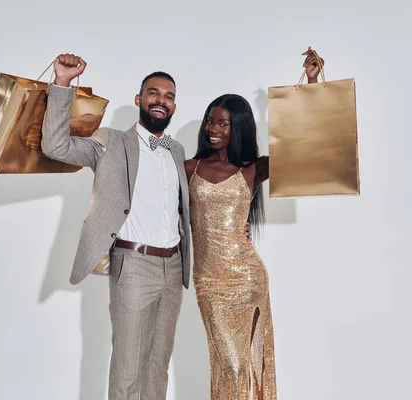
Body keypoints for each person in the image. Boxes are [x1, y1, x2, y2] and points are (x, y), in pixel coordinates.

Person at [41, 54, 251, 400]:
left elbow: (200, 204)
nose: (161, 100)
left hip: (173, 268)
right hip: (133, 265)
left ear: (173, 106)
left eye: (168, 96)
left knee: (157, 367)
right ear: (139, 100)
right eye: (153, 93)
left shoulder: (176, 150)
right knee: (128, 370)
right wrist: (62, 82)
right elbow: (55, 146)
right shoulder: (111, 141)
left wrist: (235, 229)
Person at [184, 47, 324, 399]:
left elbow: (299, 145)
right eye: (210, 120)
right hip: (209, 282)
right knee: (228, 363)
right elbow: (157, 151)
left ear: (239, 127)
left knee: (246, 364)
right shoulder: (190, 167)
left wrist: (310, 83)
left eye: (223, 123)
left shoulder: (251, 169)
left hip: (247, 277)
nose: (213, 128)